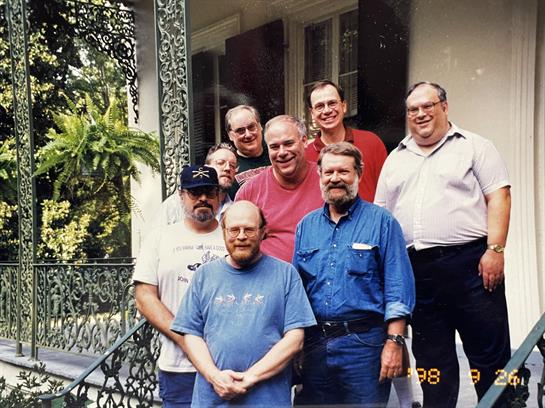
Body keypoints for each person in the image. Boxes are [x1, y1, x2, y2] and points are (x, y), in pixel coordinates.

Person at [375, 81, 512, 407]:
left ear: (444, 107)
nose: (420, 114)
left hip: (471, 266)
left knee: (488, 357)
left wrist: (495, 250)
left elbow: (499, 196)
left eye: (428, 106)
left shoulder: (475, 147)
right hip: (418, 271)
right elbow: (382, 216)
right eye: (412, 109)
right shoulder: (396, 158)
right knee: (432, 361)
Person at [292, 142, 415, 407]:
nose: (335, 178)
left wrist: (394, 343)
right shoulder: (306, 226)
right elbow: (296, 293)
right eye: (328, 172)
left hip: (364, 345)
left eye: (344, 172)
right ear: (320, 176)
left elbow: (398, 286)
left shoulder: (382, 222)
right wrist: (297, 344)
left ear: (358, 173)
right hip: (315, 346)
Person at [171, 201, 317, 407]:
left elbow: (295, 339)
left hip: (267, 399)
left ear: (262, 232)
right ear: (223, 231)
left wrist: (251, 377)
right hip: (213, 398)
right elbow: (190, 335)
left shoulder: (285, 274)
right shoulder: (204, 275)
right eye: (234, 230)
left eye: (249, 229)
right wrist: (214, 377)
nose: (241, 236)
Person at [133, 165, 228, 407]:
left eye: (209, 191)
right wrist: (185, 339)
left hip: (229, 365)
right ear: (181, 195)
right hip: (179, 368)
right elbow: (144, 297)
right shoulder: (160, 238)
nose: (203, 199)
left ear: (219, 195)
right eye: (195, 193)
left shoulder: (234, 237)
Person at [235, 115, 323, 262]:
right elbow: (236, 244)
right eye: (274, 147)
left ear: (304, 141)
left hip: (322, 278)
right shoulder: (250, 192)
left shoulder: (327, 181)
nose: (282, 152)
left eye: (288, 143)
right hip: (270, 279)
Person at [305, 80, 387, 202]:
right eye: (320, 106)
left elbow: (387, 192)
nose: (327, 111)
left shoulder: (371, 143)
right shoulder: (305, 155)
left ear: (344, 106)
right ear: (312, 113)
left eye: (332, 103)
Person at [151, 143, 238, 227]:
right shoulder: (174, 204)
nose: (227, 168)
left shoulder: (235, 209)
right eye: (220, 162)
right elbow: (156, 238)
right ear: (206, 167)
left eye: (232, 166)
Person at [225, 105, 271, 197]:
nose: (248, 134)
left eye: (251, 127)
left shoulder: (277, 154)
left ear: (260, 127)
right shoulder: (228, 168)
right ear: (230, 135)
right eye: (240, 131)